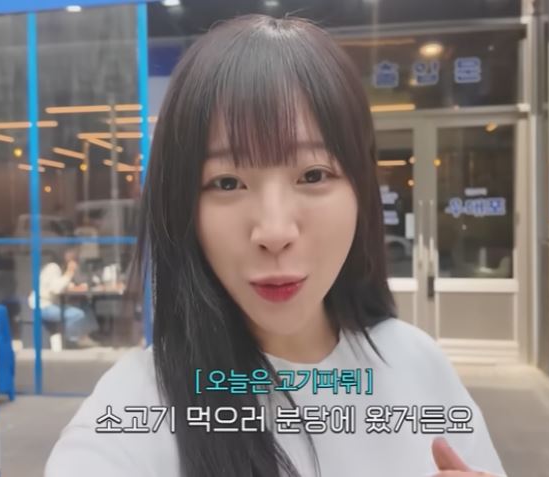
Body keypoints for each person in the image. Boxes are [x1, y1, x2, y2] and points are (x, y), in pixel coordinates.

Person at [46, 15, 506, 477]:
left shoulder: (415, 361)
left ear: (361, 190)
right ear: (181, 206)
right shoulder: (135, 410)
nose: (274, 231)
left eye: (313, 175)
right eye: (227, 182)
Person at [29, 248, 99, 348]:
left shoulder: (59, 268)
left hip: (52, 303)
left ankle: (87, 336)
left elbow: (61, 285)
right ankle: (71, 341)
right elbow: (56, 289)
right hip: (43, 306)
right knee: (77, 314)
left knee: (84, 305)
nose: (75, 258)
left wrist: (75, 285)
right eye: (73, 255)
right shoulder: (53, 268)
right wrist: (70, 272)